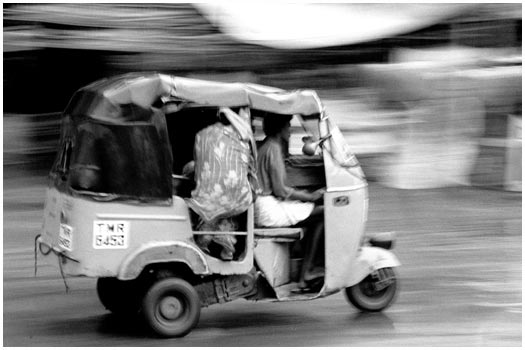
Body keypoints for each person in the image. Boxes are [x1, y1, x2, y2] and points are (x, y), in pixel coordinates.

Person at [254, 115, 325, 291]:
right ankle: (307, 272)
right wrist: (311, 196)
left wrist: (305, 196)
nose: (290, 130)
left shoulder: (267, 145)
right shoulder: (274, 148)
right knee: (323, 213)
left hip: (265, 205)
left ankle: (307, 267)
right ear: (279, 129)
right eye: (287, 126)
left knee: (313, 212)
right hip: (267, 208)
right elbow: (281, 191)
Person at [186, 107, 258, 260]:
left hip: (205, 200)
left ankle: (208, 236)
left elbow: (197, 165)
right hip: (236, 199)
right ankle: (227, 241)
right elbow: (252, 168)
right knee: (235, 197)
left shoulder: (201, 135)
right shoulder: (243, 136)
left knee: (214, 201)